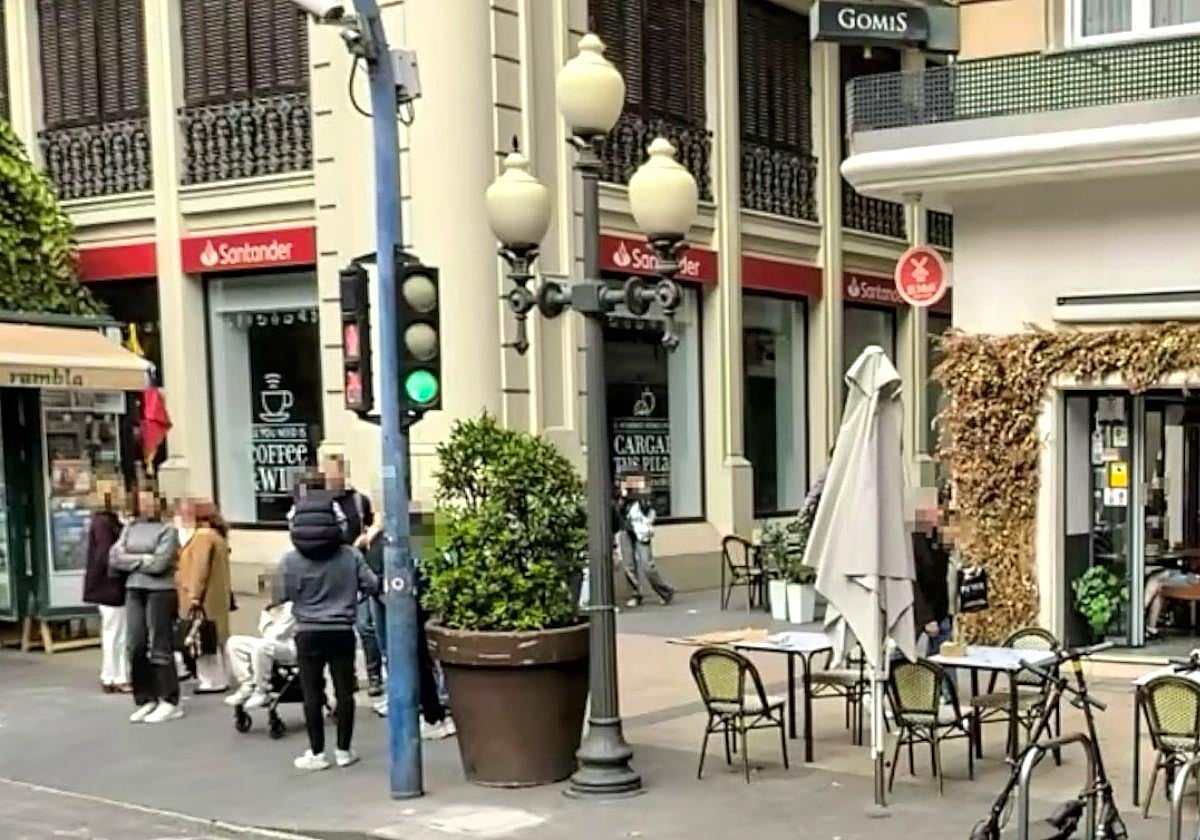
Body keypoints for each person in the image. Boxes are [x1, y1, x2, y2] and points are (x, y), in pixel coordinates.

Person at [276, 493, 379, 771]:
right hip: (341, 629)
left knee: (311, 693)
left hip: (307, 631)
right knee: (344, 692)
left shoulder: (290, 560)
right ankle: (344, 750)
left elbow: (281, 594)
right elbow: (371, 584)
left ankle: (317, 752)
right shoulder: (350, 556)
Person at [366, 517, 455, 740]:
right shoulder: (416, 531)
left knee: (415, 658)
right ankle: (433, 711)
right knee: (420, 659)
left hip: (408, 603)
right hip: (415, 602)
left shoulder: (401, 533)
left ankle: (431, 713)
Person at [109, 489, 182, 724]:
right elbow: (114, 557)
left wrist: (131, 558)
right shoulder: (130, 528)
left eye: (151, 501)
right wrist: (143, 558)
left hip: (160, 591)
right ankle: (145, 699)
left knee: (159, 646)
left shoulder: (168, 530)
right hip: (134, 589)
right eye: (143, 502)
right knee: (135, 645)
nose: (147, 506)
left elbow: (159, 564)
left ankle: (169, 700)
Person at [323, 457, 381, 697]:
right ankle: (348, 676)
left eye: (332, 473)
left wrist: (367, 536)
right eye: (325, 473)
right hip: (333, 572)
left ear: (343, 474)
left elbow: (374, 522)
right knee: (339, 628)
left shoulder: (358, 500)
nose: (329, 478)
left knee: (365, 626)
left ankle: (374, 675)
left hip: (358, 568)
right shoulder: (321, 503)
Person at [176, 499, 232, 693]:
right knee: (216, 638)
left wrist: (194, 596)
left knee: (203, 638)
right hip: (216, 597)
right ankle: (222, 676)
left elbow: (199, 569)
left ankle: (211, 680)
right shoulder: (217, 536)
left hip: (204, 598)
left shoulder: (202, 537)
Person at [83, 483, 129, 693]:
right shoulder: (105, 522)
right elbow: (106, 553)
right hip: (111, 585)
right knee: (117, 632)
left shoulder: (102, 520)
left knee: (113, 631)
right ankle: (116, 676)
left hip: (105, 584)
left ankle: (111, 675)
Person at [225, 600, 297, 709]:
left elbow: (273, 635)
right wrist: (268, 614)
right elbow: (266, 634)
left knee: (262, 646)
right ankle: (248, 685)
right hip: (274, 645)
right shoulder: (280, 607)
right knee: (234, 642)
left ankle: (261, 691)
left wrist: (271, 618)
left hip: (292, 649)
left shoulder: (293, 608)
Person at [620, 480, 674, 608]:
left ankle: (665, 591)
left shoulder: (642, 487)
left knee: (647, 566)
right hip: (625, 527)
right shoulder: (620, 486)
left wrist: (639, 496)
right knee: (628, 565)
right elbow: (618, 505)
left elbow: (649, 505)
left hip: (641, 528)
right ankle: (635, 595)